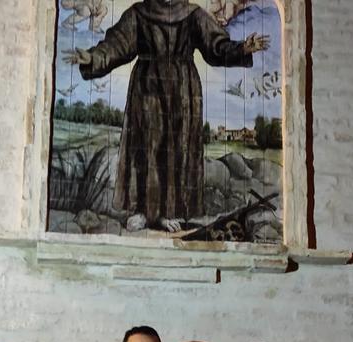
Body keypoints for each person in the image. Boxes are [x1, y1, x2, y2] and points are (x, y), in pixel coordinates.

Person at [64, 0, 269, 232]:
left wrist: (242, 48)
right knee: (146, 147)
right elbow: (116, 45)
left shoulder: (193, 14)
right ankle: (142, 210)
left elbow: (215, 47)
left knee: (176, 148)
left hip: (182, 90)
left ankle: (168, 212)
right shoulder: (139, 13)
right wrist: (93, 58)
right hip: (147, 88)